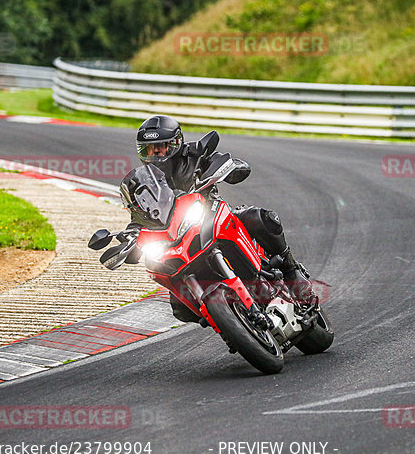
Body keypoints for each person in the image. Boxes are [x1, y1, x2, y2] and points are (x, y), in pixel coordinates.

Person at [124, 115, 316, 323]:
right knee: (181, 310)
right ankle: (227, 320)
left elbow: (228, 163)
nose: (156, 154)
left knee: (260, 218)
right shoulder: (143, 186)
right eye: (149, 149)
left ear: (175, 145)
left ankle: (290, 268)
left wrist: (230, 167)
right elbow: (140, 215)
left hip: (213, 217)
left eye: (161, 147)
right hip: (178, 240)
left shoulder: (194, 156)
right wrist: (130, 237)